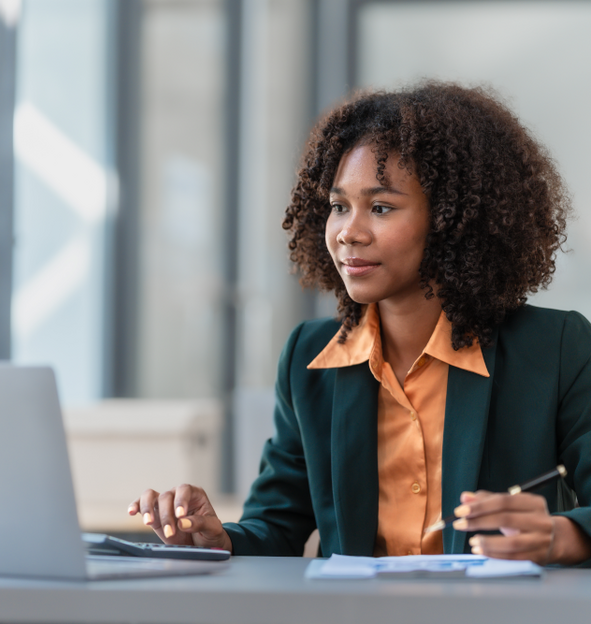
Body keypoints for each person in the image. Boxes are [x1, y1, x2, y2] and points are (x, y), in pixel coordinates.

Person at [128, 82, 591, 565]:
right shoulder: (308, 358)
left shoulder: (556, 349)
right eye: (338, 206)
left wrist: (560, 536)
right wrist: (216, 537)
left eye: (381, 207)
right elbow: (277, 526)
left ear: (454, 220)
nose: (349, 231)